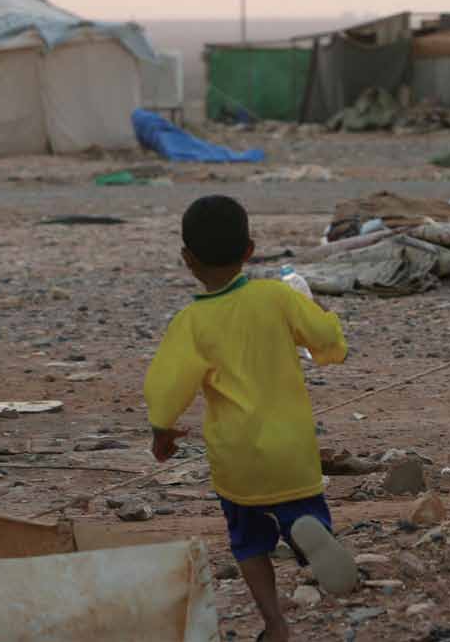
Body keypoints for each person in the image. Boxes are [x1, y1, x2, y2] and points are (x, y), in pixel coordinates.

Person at [144, 195, 357, 642]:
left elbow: (167, 387)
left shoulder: (191, 322)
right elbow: (324, 337)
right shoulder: (276, 297)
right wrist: (331, 344)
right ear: (249, 250)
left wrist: (162, 430)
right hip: (292, 449)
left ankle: (275, 623)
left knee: (248, 540)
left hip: (237, 458)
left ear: (187, 259)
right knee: (302, 511)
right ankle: (308, 534)